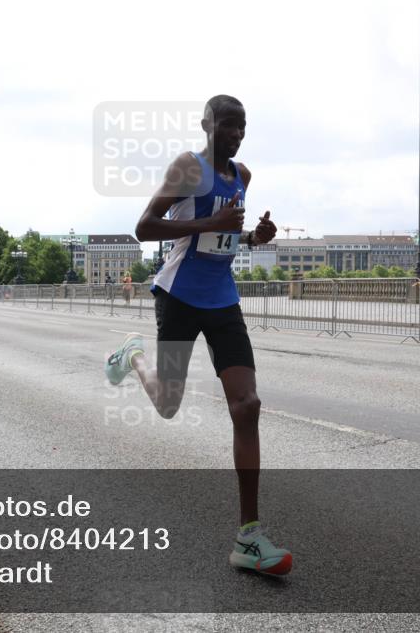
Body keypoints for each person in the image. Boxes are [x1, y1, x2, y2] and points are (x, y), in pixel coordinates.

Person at [105, 95, 291, 576]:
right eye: (228, 125)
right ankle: (134, 357)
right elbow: (145, 226)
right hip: (180, 294)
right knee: (167, 403)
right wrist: (210, 221)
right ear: (207, 124)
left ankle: (248, 537)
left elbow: (226, 236)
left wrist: (254, 238)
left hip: (223, 298)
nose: (236, 134)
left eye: (242, 127)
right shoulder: (187, 167)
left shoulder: (241, 176)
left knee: (247, 406)